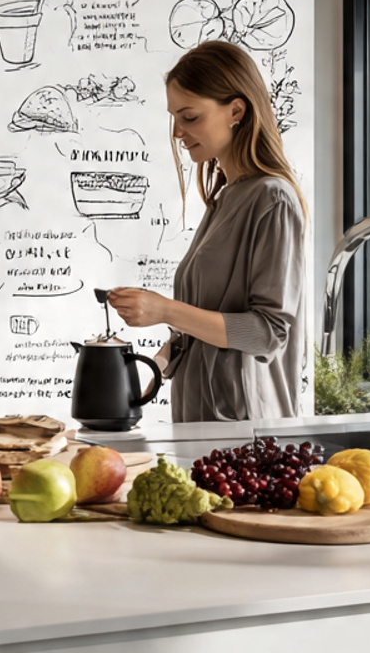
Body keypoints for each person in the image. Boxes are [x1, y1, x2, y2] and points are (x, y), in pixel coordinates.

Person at [108, 41, 306, 421]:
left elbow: (267, 332)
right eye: (175, 117)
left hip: (245, 434)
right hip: (203, 424)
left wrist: (164, 309)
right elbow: (207, 322)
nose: (178, 132)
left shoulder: (273, 200)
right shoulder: (226, 199)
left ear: (236, 110)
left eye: (190, 117)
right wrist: (156, 366)